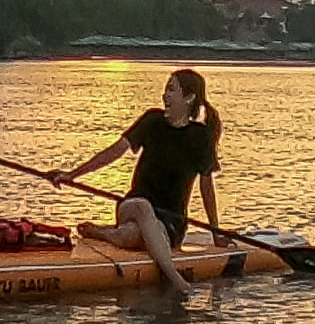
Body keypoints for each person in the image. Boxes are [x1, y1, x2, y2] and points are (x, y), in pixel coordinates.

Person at [48, 68, 227, 295]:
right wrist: (72, 175)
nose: (165, 96)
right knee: (143, 207)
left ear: (189, 98)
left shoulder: (201, 137)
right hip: (133, 206)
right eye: (165, 89)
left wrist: (216, 232)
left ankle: (102, 233)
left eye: (171, 90)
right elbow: (115, 151)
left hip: (171, 218)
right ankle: (177, 280)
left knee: (132, 235)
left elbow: (206, 187)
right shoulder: (152, 121)